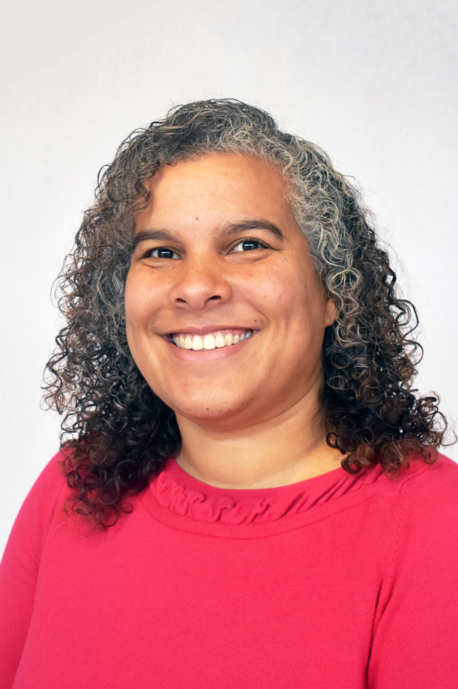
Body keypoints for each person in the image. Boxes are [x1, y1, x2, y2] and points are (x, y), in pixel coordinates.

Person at [0, 99, 457, 689]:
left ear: (333, 290)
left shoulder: (435, 527)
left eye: (248, 244)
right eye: (161, 253)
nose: (196, 287)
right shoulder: (73, 487)